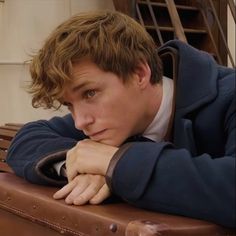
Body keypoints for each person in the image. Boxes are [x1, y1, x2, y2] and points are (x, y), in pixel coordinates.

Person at [6, 10, 235, 228]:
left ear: (139, 73)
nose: (80, 122)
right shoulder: (115, 118)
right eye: (69, 104)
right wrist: (80, 166)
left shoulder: (230, 96)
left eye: (90, 93)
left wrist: (118, 164)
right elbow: (26, 139)